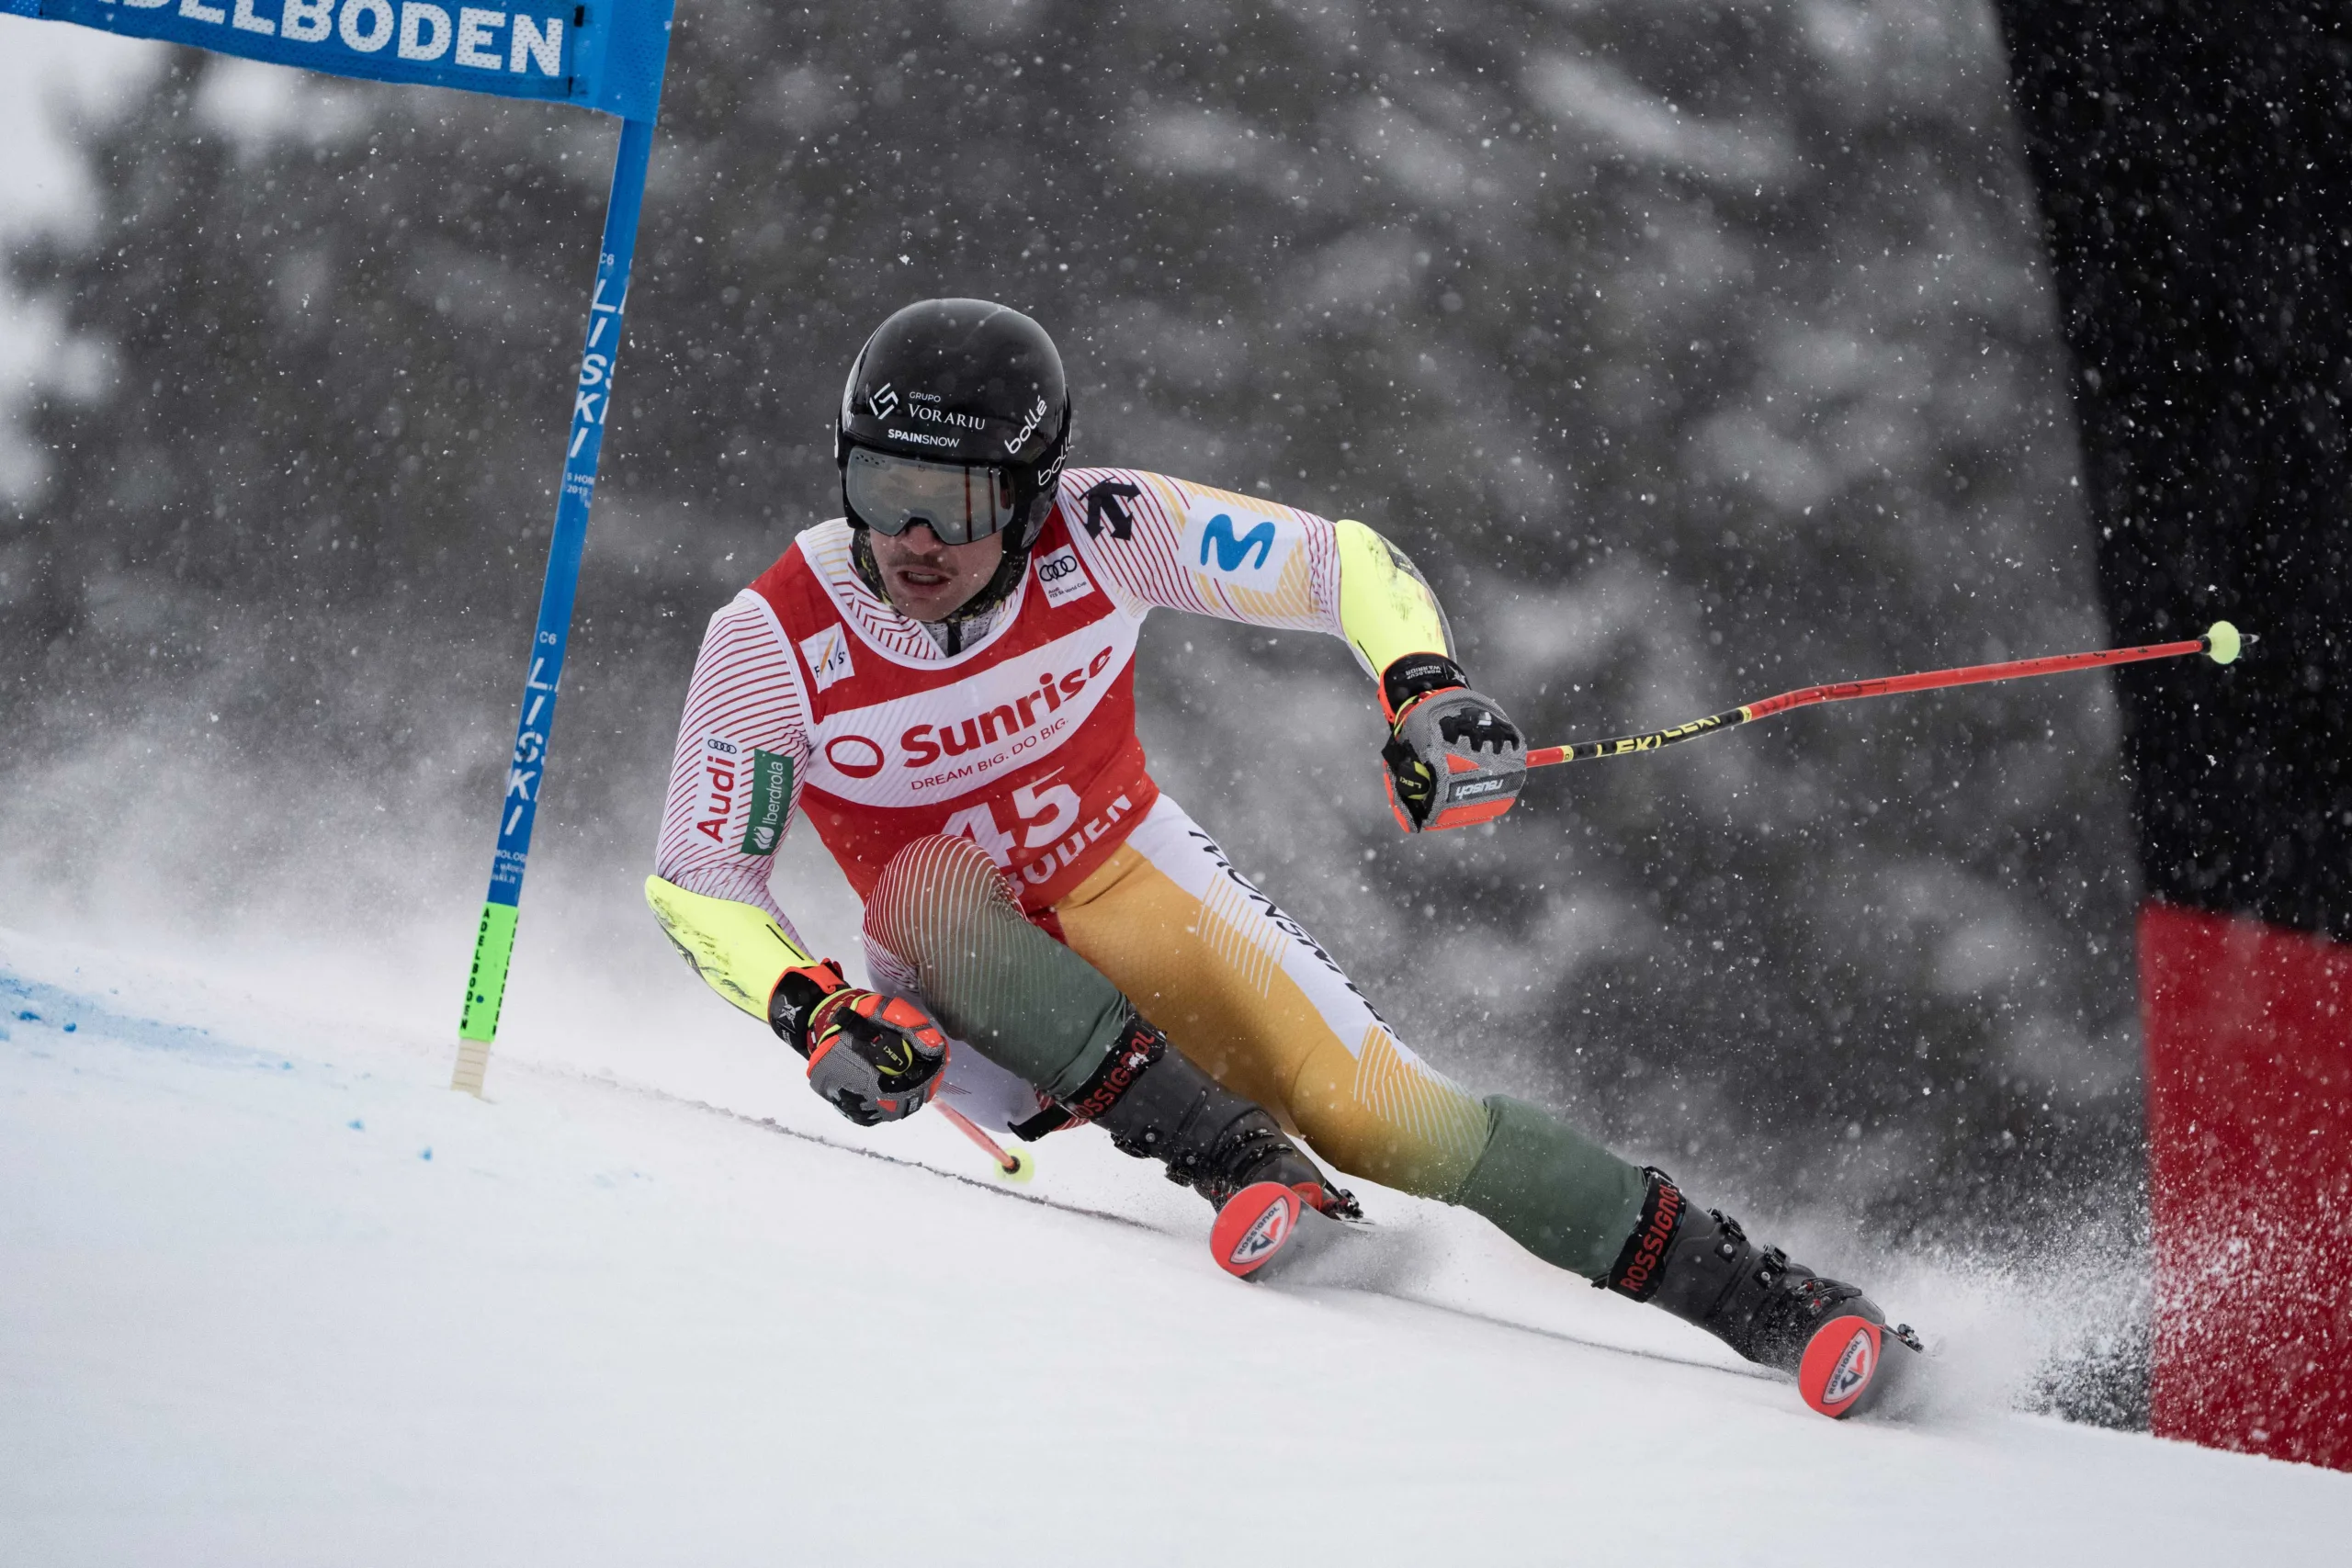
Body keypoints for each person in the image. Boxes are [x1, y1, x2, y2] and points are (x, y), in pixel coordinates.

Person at [647, 298, 1905, 1416]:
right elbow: (698, 874)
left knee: (1393, 1117)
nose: (914, 539)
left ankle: (1776, 1302)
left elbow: (1338, 561)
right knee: (927, 893)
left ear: (1032, 496)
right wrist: (814, 1010)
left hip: (1133, 880)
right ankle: (1242, 1165)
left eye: (960, 501)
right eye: (879, 487)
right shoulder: (775, 637)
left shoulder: (1110, 528)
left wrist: (1422, 685)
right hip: (965, 1007)